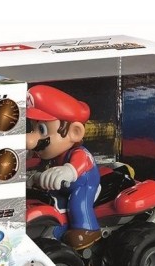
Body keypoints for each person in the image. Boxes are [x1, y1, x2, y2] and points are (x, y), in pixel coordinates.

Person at [26, 85, 101, 250]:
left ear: (75, 132)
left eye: (42, 130)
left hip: (82, 184)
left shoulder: (79, 153)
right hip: (60, 187)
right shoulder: (53, 155)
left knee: (77, 203)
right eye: (33, 128)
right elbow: (36, 166)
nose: (31, 138)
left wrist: (68, 170)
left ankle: (87, 229)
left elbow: (81, 165)